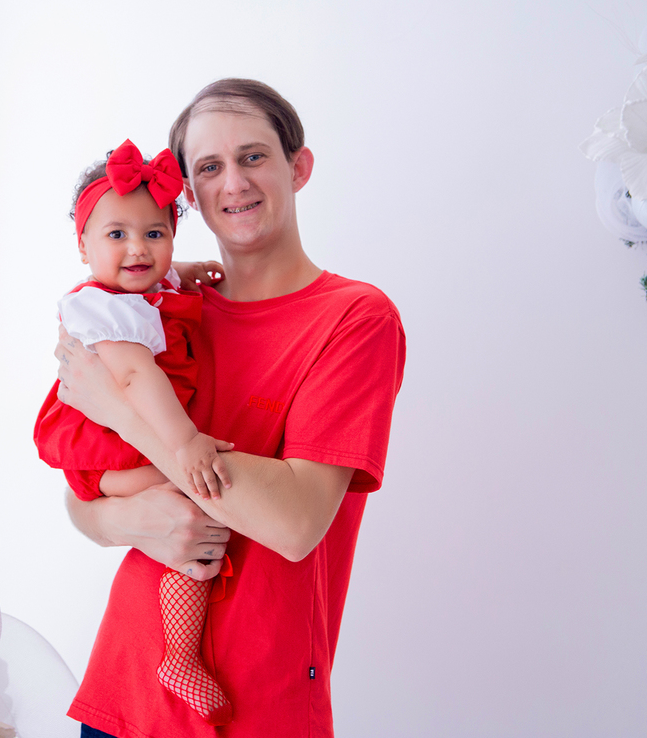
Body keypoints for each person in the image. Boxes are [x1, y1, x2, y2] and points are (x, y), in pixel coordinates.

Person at [55, 79, 407, 738]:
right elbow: (81, 494)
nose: (233, 183)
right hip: (125, 692)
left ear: (297, 167)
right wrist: (127, 520)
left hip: (253, 710)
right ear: (186, 192)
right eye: (209, 167)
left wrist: (129, 415)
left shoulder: (354, 319)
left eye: (253, 157)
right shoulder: (152, 318)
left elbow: (295, 521)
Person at [33, 139, 235, 725]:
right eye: (116, 235)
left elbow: (162, 280)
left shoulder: (142, 291)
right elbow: (138, 376)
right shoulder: (104, 311)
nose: (137, 249)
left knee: (198, 502)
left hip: (118, 448)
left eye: (155, 233)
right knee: (193, 499)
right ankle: (179, 654)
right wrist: (184, 443)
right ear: (82, 245)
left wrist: (186, 272)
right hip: (108, 456)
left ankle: (181, 649)